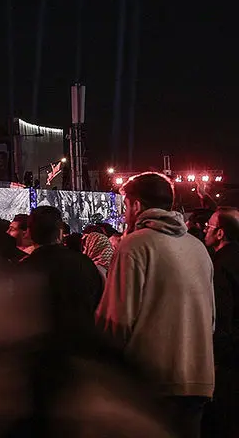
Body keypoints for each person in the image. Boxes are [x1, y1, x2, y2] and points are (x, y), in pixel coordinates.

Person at [98, 172, 215, 438]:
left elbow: (116, 320)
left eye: (125, 205)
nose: (125, 213)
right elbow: (211, 320)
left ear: (136, 205)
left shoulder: (135, 245)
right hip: (197, 378)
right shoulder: (197, 247)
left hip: (149, 383)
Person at [21, 205, 104, 336]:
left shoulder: (22, 269)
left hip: (39, 348)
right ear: (60, 232)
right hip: (81, 345)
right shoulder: (84, 264)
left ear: (29, 233)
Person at [206, 207, 239, 436]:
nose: (205, 230)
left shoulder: (220, 265)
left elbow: (221, 313)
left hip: (229, 356)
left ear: (220, 233)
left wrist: (218, 353)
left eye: (209, 226)